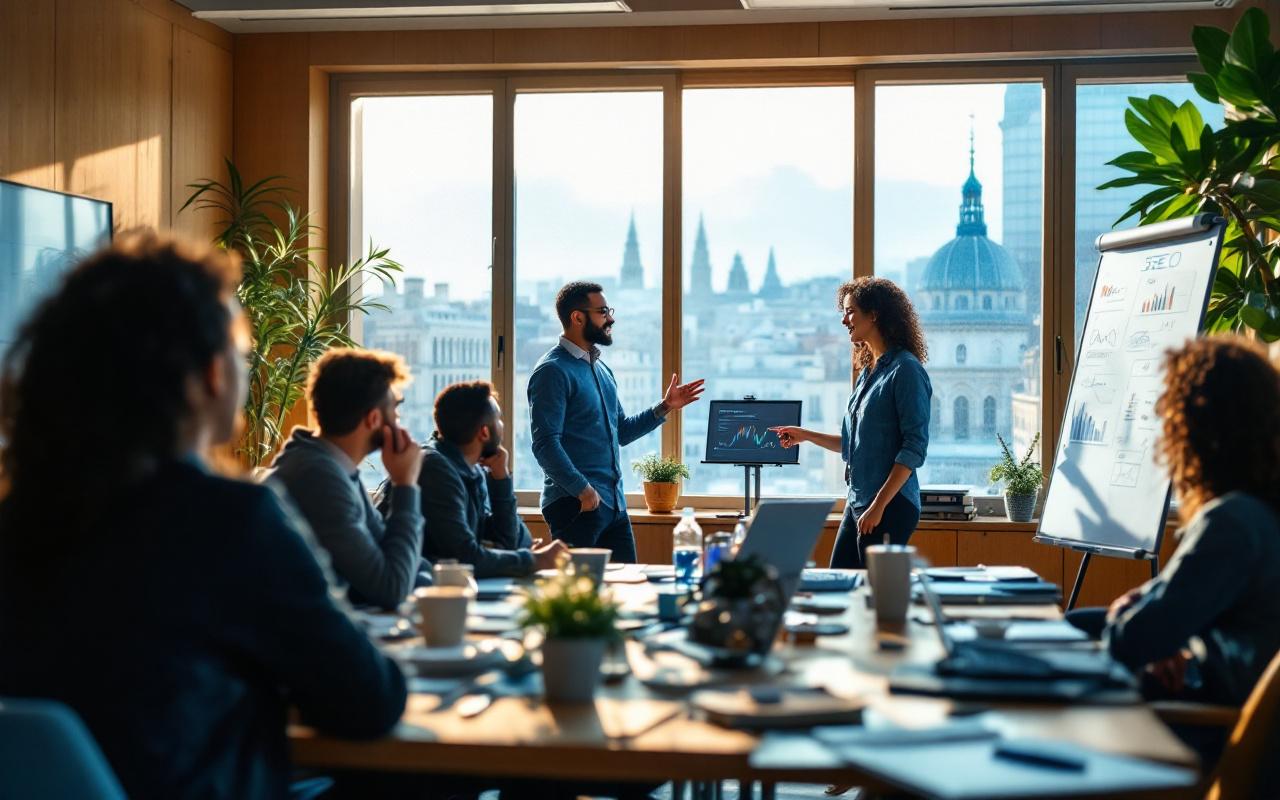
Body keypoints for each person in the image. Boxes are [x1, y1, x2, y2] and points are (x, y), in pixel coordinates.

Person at [0, 234, 406, 800]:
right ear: (213, 375)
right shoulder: (232, 521)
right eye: (242, 354)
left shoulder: (17, 519)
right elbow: (370, 699)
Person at [1103, 336, 1280, 707]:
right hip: (1224, 700)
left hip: (1214, 729)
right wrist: (1165, 634)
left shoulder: (1233, 522)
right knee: (1082, 624)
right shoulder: (1262, 512)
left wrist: (1131, 612)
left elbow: (1130, 640)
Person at [528, 281, 704, 562]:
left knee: (628, 591)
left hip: (613, 507)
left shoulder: (601, 368)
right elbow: (545, 445)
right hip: (576, 506)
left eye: (608, 310)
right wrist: (583, 491)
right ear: (577, 317)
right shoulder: (552, 371)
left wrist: (665, 406)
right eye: (602, 311)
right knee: (582, 599)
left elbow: (620, 431)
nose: (610, 318)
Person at [770, 277, 931, 569]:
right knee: (839, 581)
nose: (844, 320)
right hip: (859, 501)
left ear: (874, 314)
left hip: (889, 505)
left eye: (850, 311)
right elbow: (852, 445)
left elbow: (914, 449)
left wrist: (878, 506)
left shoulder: (906, 370)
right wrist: (803, 435)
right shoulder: (867, 374)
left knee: (870, 594)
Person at [267, 347, 428, 610]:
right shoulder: (318, 478)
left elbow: (398, 561)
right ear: (374, 419)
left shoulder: (332, 467)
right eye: (394, 409)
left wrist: (422, 579)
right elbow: (392, 586)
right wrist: (405, 484)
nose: (398, 419)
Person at [409, 380, 567, 577]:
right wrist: (537, 560)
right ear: (484, 432)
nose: (502, 426)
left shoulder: (472, 469)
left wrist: (501, 479)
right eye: (499, 420)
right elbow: (464, 558)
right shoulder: (436, 469)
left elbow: (512, 541)